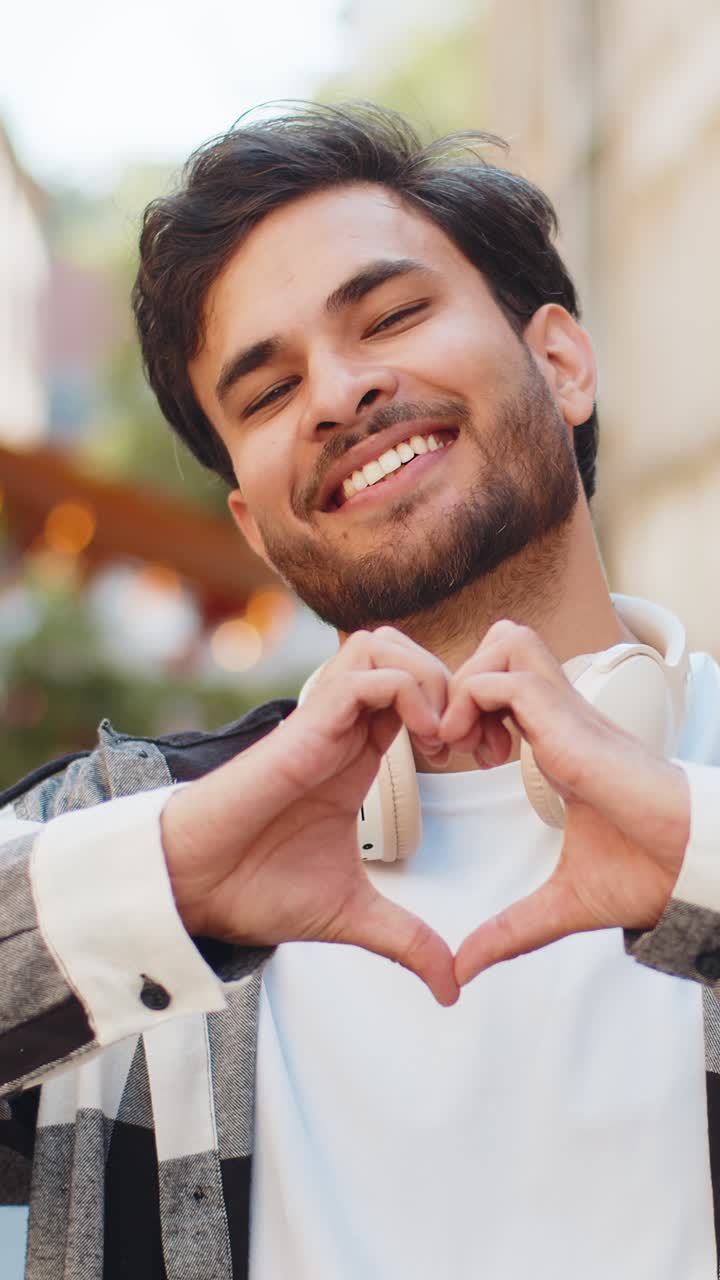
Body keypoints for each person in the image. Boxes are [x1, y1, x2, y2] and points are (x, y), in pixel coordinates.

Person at [1, 103, 720, 1280]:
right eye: (267, 393)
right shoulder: (133, 847)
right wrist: (171, 882)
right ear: (255, 524)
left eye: (390, 314)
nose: (336, 394)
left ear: (561, 362)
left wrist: (702, 857)